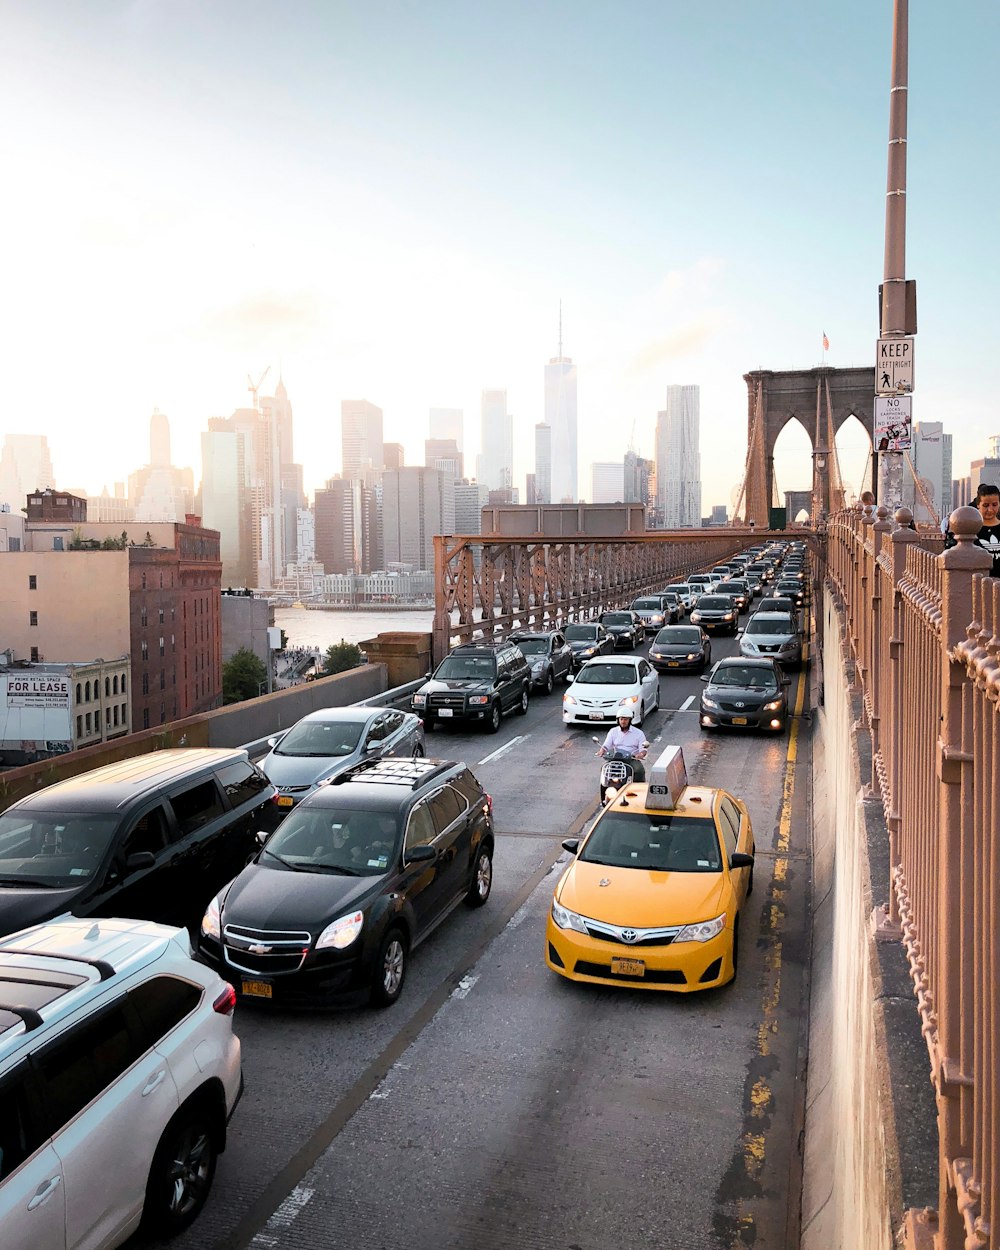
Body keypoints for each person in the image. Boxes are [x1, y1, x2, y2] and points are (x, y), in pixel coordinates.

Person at [943, 483, 1000, 576]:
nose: (990, 509)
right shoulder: (968, 529)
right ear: (978, 504)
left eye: (994, 505)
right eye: (985, 505)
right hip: (975, 584)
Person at [597, 708, 649, 782]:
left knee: (639, 770)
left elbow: (643, 749)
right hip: (615, 758)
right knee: (604, 768)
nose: (623, 722)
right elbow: (606, 745)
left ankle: (639, 789)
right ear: (618, 720)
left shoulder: (639, 733)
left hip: (631, 759)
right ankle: (604, 786)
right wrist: (601, 750)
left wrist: (640, 754)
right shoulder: (613, 731)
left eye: (625, 719)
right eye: (621, 719)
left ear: (630, 720)